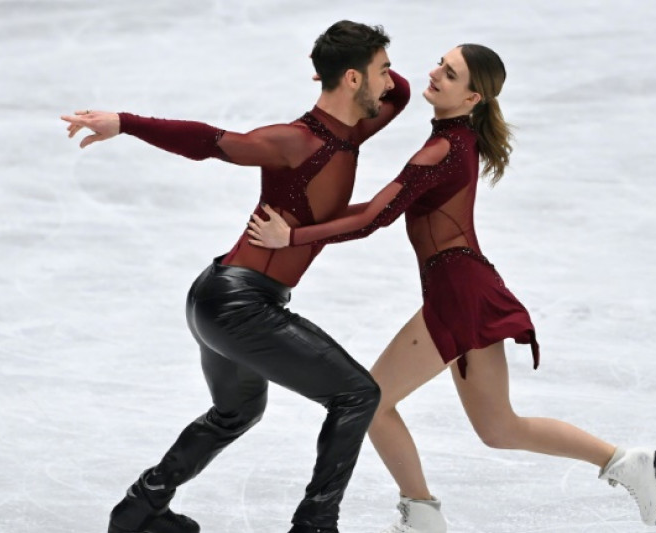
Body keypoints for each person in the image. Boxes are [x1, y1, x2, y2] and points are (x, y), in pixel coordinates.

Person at [246, 44, 656, 532]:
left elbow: (375, 217)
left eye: (449, 74)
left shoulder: (442, 149)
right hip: (466, 286)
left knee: (370, 399)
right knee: (499, 427)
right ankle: (634, 462)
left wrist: (293, 236)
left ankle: (421, 516)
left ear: (472, 96)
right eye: (440, 61)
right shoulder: (456, 140)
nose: (434, 72)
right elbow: (374, 205)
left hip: (458, 290)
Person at [61, 20, 411, 533]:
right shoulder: (296, 141)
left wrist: (354, 63)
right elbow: (210, 141)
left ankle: (140, 508)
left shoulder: (353, 129)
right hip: (241, 306)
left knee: (237, 411)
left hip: (217, 297)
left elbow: (398, 95)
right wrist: (126, 122)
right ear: (354, 80)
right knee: (357, 394)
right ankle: (315, 525)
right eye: (381, 69)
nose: (390, 80)